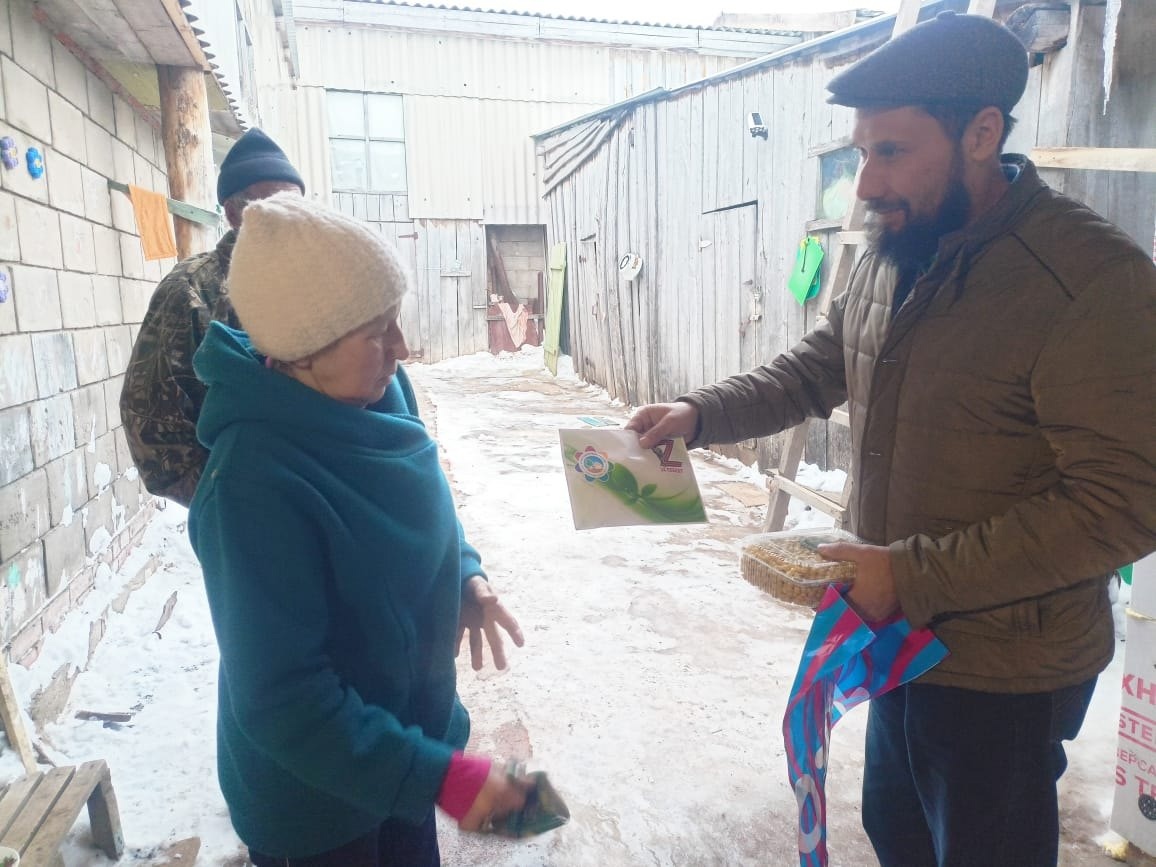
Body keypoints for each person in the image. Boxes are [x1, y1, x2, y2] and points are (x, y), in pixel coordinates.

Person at [627, 12, 1156, 867]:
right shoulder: (891, 249)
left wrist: (909, 573)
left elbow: (1125, 504)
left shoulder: (1088, 281)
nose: (866, 183)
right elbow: (819, 365)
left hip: (1004, 666)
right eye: (861, 152)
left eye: (892, 152)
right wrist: (700, 413)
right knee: (897, 832)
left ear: (982, 133)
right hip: (896, 636)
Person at [186, 192, 528, 866]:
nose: (402, 346)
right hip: (317, 805)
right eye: (377, 332)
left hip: (403, 750)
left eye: (394, 321)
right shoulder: (252, 482)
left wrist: (463, 572)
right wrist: (443, 778)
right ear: (301, 350)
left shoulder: (378, 392)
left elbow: (422, 501)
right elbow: (286, 702)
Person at [121, 128, 306, 507]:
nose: (293, 218)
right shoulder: (189, 292)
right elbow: (151, 428)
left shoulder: (314, 280)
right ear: (234, 212)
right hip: (248, 511)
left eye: (299, 206)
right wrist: (232, 504)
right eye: (275, 205)